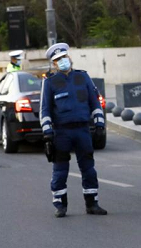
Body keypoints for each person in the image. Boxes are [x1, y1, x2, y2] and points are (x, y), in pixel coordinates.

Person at [39, 43, 107, 218]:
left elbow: (95, 103)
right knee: (60, 171)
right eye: (57, 60)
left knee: (89, 169)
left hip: (83, 130)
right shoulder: (50, 82)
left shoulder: (83, 77)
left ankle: (92, 204)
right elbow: (45, 110)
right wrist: (47, 133)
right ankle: (60, 205)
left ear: (69, 58)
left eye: (64, 58)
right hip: (62, 133)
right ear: (54, 64)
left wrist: (99, 125)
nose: (62, 62)